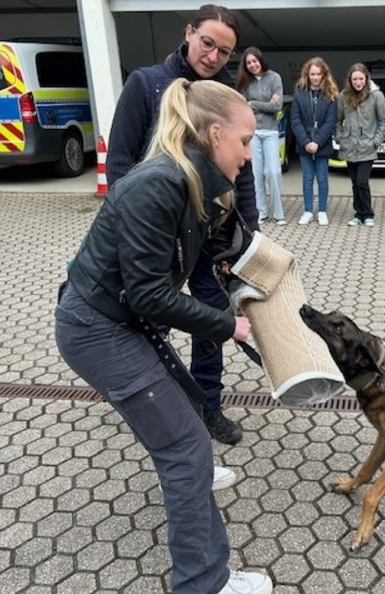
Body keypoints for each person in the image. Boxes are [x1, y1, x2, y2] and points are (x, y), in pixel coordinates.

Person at [55, 79, 273, 594]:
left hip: (118, 322)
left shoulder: (193, 180)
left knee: (182, 420)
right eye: (245, 140)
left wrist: (256, 281)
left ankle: (189, 481)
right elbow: (151, 295)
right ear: (215, 133)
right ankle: (203, 584)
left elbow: (215, 250)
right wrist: (229, 325)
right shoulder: (157, 184)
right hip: (97, 329)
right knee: (186, 448)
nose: (249, 153)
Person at [106, 4, 250, 445]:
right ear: (189, 32)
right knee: (154, 325)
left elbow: (239, 170)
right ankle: (159, 408)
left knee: (213, 319)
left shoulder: (228, 95)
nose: (213, 56)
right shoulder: (147, 85)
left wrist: (250, 234)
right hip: (156, 238)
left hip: (209, 237)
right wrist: (132, 232)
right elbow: (119, 165)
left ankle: (207, 404)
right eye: (208, 43)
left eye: (224, 51)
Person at [335, 62, 385, 227]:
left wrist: (376, 141)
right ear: (350, 80)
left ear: (366, 79)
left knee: (361, 181)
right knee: (354, 183)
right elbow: (337, 120)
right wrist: (339, 137)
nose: (358, 82)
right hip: (349, 146)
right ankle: (358, 214)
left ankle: (367, 213)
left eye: (361, 79)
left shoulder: (376, 96)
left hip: (367, 146)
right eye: (355, 79)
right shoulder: (343, 96)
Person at [236, 47, 286, 225]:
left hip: (271, 132)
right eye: (248, 63)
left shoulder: (274, 78)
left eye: (254, 61)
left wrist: (253, 103)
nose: (252, 65)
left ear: (260, 60)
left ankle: (279, 214)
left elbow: (277, 106)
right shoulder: (244, 81)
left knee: (273, 172)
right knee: (256, 173)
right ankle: (261, 212)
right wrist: (265, 104)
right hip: (253, 133)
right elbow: (242, 106)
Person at [290, 56, 339, 226]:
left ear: (324, 75)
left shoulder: (331, 95)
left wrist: (317, 141)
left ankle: (322, 211)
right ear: (307, 75)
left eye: (318, 74)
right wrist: (305, 141)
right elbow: (295, 120)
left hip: (322, 143)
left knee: (322, 177)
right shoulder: (299, 93)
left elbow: (330, 121)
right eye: (312, 74)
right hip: (304, 143)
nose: (315, 77)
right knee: (307, 178)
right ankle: (308, 210)